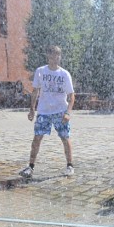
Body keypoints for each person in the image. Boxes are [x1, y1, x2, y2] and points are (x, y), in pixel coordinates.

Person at [19, 45, 75, 178]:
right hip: (43, 112)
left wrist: (68, 112)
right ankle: (30, 167)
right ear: (48, 56)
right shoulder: (40, 71)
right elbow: (35, 91)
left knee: (65, 138)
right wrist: (32, 109)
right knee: (37, 138)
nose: (56, 58)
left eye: (58, 55)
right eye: (53, 55)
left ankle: (70, 166)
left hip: (60, 112)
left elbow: (72, 95)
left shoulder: (64, 74)